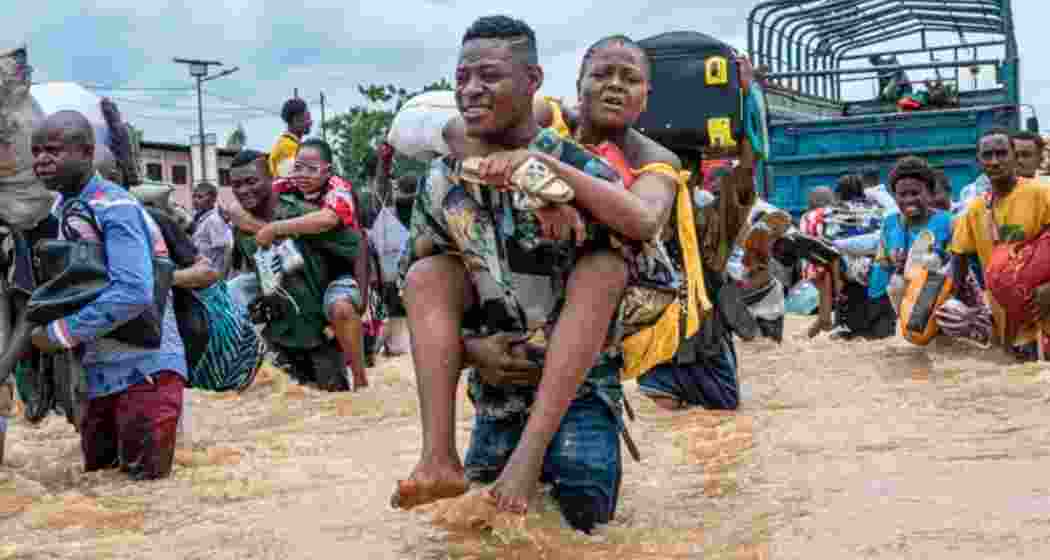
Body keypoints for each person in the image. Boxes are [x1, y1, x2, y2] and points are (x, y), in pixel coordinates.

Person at [392, 16, 670, 533]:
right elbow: (413, 298)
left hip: (578, 398)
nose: (471, 91)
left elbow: (653, 278)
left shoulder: (586, 171)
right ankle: (437, 457)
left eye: (489, 77)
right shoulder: (443, 177)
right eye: (462, 78)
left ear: (532, 82)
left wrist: (550, 181)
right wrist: (476, 352)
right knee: (426, 272)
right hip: (497, 391)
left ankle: (526, 459)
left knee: (578, 524)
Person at [29, 110, 187, 480]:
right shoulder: (62, 211)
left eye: (52, 150)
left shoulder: (113, 206)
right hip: (100, 373)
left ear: (86, 153)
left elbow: (133, 292)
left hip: (145, 371)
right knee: (102, 490)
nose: (41, 160)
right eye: (35, 151)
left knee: (143, 496)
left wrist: (62, 333)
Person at [227, 140, 369, 390]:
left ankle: (361, 378)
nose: (244, 190)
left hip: (318, 336)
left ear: (269, 178)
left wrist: (363, 298)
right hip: (278, 338)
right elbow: (253, 269)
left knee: (338, 408)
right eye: (236, 184)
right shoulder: (240, 222)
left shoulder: (306, 212)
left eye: (251, 181)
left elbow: (357, 245)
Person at [948, 128, 1050, 359]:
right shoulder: (975, 209)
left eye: (1002, 153)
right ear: (978, 161)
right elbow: (958, 257)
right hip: (1006, 323)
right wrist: (952, 303)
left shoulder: (1041, 194)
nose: (994, 161)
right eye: (987, 155)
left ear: (1014, 156)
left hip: (1044, 315)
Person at [871, 157, 953, 311]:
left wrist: (939, 260)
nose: (909, 200)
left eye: (915, 193)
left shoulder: (948, 222)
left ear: (929, 193)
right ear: (894, 196)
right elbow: (882, 262)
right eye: (902, 194)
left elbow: (958, 264)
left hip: (942, 303)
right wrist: (894, 263)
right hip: (905, 305)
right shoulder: (890, 224)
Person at [190, 181, 233, 277]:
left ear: (212, 199)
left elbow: (226, 250)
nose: (195, 200)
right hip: (201, 273)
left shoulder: (214, 220)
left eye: (200, 197)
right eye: (194, 196)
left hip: (212, 276)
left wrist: (221, 278)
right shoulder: (199, 218)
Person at [269, 98, 312, 178]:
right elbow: (294, 180)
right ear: (296, 119)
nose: (310, 122)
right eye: (307, 117)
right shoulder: (287, 147)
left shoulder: (288, 143)